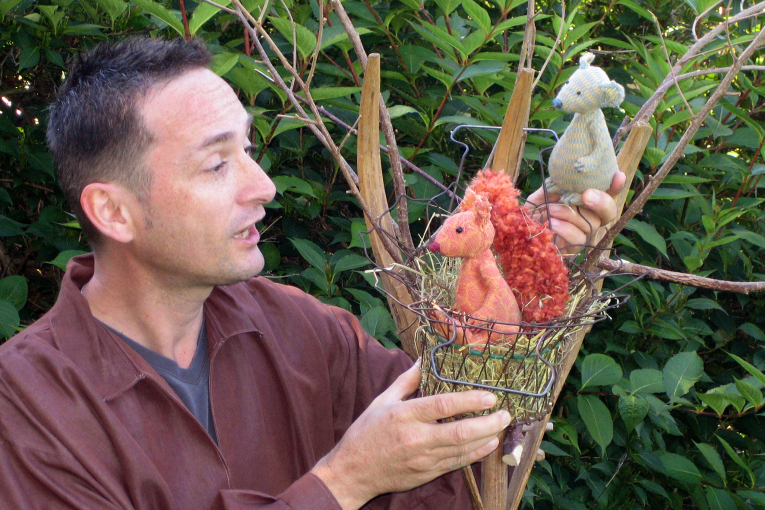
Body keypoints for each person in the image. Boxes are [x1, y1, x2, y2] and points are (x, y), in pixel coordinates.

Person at [0, 37, 622, 510]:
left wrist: (524, 268)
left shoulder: (301, 332)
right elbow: (364, 477)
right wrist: (343, 483)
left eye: (248, 149)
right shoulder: (28, 408)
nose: (264, 186)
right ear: (113, 210)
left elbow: (473, 457)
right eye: (217, 165)